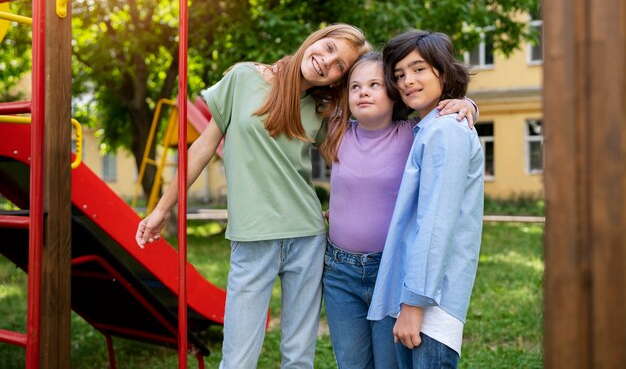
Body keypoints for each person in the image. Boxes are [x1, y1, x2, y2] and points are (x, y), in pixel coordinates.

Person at [135, 23, 371, 369]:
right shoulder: (243, 78)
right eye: (330, 47)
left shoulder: (321, 109)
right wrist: (161, 209)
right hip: (251, 238)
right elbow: (201, 148)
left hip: (307, 238)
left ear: (338, 81)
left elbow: (355, 158)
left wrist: (459, 102)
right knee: (237, 359)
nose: (327, 62)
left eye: (340, 67)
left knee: (298, 358)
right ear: (317, 39)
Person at [322, 51, 477, 369]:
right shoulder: (337, 132)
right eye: (355, 86)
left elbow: (443, 120)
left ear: (394, 93)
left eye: (375, 84)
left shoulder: (413, 134)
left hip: (389, 270)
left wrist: (468, 104)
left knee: (388, 362)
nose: (363, 92)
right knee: (351, 362)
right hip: (339, 272)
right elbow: (307, 93)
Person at [367, 30, 484, 369]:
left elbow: (436, 224)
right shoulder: (430, 128)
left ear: (443, 73)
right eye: (400, 74)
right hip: (419, 299)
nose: (407, 81)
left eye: (418, 69)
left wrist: (414, 306)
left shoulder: (445, 131)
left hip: (431, 306)